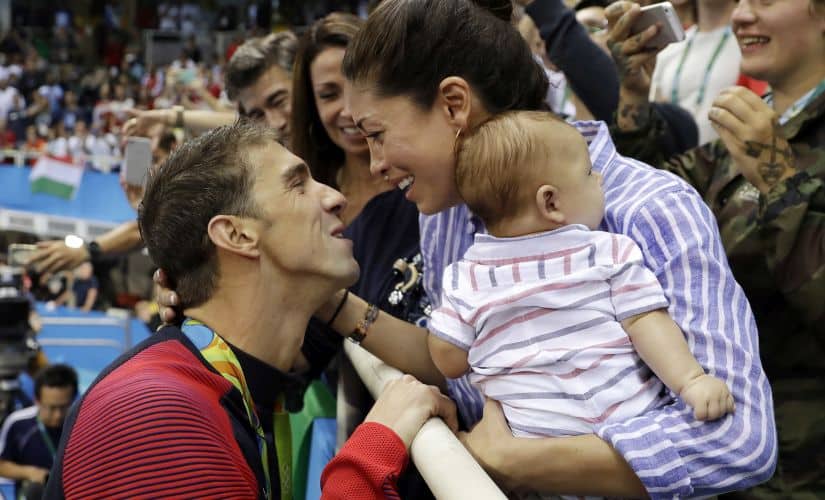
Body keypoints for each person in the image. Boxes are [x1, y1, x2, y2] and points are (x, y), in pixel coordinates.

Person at [332, 0, 774, 496]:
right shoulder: (447, 215)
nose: (374, 164)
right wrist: (337, 308)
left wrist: (512, 459)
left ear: (455, 103)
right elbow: (464, 364)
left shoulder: (651, 209)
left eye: (377, 134)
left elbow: (738, 441)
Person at [43, 122, 457, 499]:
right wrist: (373, 450)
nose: (336, 197)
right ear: (237, 234)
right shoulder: (155, 413)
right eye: (298, 185)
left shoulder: (218, 389)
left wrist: (317, 293)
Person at [605, 0, 825, 494]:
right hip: (709, 435)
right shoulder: (754, 118)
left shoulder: (767, 133)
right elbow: (650, 204)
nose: (743, 15)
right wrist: (633, 98)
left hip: (798, 464)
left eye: (765, 0)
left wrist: (781, 182)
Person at [428, 111, 733, 452]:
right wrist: (690, 380)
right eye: (589, 172)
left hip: (533, 444)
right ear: (551, 202)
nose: (600, 179)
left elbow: (449, 359)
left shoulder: (466, 277)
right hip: (629, 428)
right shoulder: (606, 251)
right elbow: (645, 320)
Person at [0, 364, 77, 496]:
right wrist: (30, 473)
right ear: (37, 400)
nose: (58, 415)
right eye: (51, 408)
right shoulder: (17, 423)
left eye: (64, 407)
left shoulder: (81, 422)